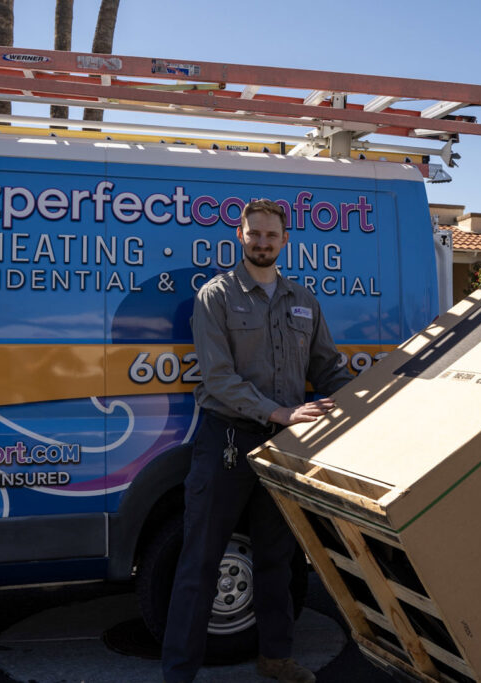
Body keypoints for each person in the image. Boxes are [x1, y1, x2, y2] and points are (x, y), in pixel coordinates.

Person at [162, 199, 353, 683]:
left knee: (277, 557)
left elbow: (326, 366)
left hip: (284, 446)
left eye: (271, 235)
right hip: (226, 441)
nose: (263, 242)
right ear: (240, 237)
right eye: (255, 235)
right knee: (200, 560)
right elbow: (218, 378)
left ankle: (276, 657)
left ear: (285, 241)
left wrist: (360, 399)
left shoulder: (304, 301)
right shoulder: (216, 296)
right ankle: (178, 672)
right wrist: (280, 411)